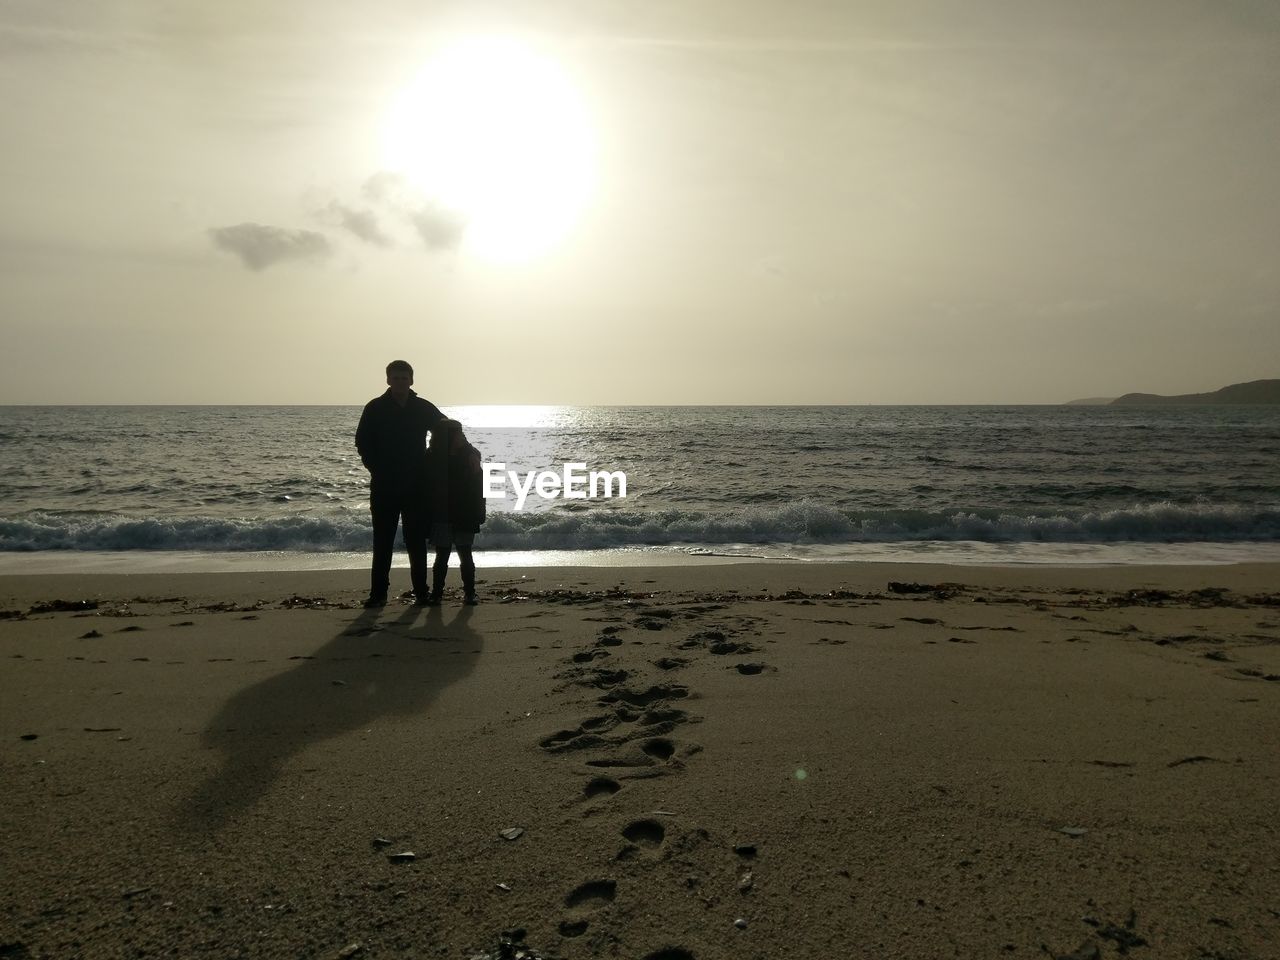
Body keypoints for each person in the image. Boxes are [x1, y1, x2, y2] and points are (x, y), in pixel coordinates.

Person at [355, 360, 445, 607]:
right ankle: (378, 594)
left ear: (412, 380)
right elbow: (362, 441)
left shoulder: (422, 407)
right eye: (395, 378)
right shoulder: (375, 408)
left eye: (404, 378)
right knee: (382, 540)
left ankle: (421, 592)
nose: (400, 383)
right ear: (388, 381)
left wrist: (445, 457)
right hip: (384, 485)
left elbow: (447, 430)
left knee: (416, 540)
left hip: (416, 485)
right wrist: (376, 467)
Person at [424, 419, 486, 606]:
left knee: (465, 554)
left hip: (465, 512)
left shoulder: (469, 456)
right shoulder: (433, 457)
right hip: (443, 513)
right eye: (457, 433)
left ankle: (469, 593)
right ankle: (437, 593)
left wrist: (479, 510)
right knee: (442, 555)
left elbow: (479, 486)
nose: (461, 436)